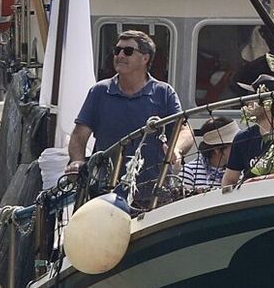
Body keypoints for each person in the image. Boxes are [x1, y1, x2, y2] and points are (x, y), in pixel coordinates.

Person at [66, 31, 194, 187]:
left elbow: (184, 131)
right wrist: (77, 161)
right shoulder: (99, 91)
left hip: (154, 190)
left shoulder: (164, 92)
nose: (120, 55)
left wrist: (176, 149)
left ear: (145, 58)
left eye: (128, 51)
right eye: (117, 50)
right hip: (105, 189)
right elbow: (79, 135)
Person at [221, 75, 274, 187]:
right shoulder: (242, 138)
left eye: (252, 96)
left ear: (268, 102)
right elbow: (229, 180)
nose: (246, 101)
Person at [180, 117, 238, 190]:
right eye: (234, 145)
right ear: (217, 149)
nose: (239, 148)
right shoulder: (189, 171)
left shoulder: (239, 170)